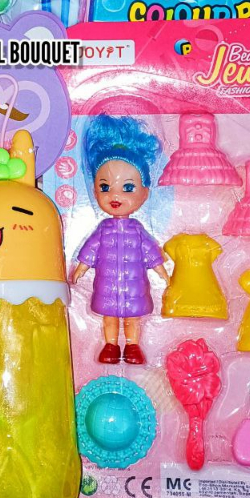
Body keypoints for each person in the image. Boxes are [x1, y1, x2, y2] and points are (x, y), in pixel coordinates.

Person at [71, 115, 170, 364]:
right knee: (109, 317)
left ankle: (133, 346)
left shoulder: (138, 230)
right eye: (105, 187)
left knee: (133, 318)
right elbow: (91, 248)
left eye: (127, 188)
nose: (115, 195)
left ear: (144, 193)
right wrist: (81, 267)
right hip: (108, 286)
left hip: (135, 287)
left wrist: (162, 272)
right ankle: (111, 345)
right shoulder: (103, 229)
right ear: (95, 190)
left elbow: (150, 251)